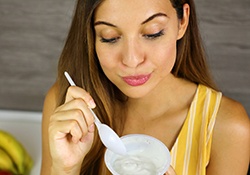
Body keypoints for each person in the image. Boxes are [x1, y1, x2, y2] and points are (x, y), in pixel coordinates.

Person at [40, 0, 250, 174]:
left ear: (182, 21)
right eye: (110, 37)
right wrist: (65, 170)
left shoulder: (226, 128)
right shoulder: (68, 107)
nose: (132, 60)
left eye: (153, 33)